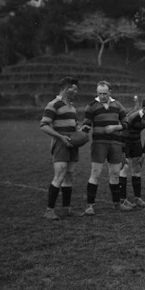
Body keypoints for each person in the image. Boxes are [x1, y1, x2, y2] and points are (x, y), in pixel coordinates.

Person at [81, 81, 129, 215]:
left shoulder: (117, 105)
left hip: (115, 143)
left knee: (115, 174)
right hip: (99, 144)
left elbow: (126, 123)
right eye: (99, 93)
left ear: (110, 92)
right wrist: (80, 133)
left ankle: (116, 204)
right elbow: (86, 123)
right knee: (95, 174)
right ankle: (90, 206)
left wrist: (116, 127)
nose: (102, 96)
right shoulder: (91, 106)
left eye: (104, 93)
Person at [39, 76, 81, 220]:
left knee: (69, 176)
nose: (76, 91)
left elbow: (75, 125)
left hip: (72, 144)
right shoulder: (54, 104)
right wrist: (61, 137)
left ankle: (66, 209)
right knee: (60, 175)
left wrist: (81, 132)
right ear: (65, 88)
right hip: (60, 144)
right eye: (73, 89)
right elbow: (43, 125)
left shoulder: (72, 106)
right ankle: (49, 210)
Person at [118, 96, 145, 209]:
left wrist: (144, 154)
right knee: (124, 168)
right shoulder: (132, 117)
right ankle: (122, 199)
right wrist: (124, 154)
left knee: (137, 169)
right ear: (144, 108)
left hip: (136, 143)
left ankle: (138, 198)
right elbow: (122, 136)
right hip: (124, 143)